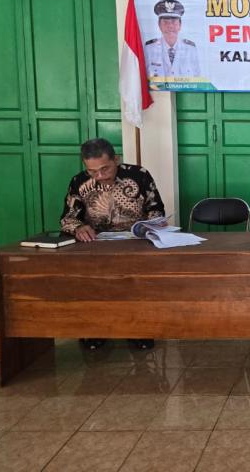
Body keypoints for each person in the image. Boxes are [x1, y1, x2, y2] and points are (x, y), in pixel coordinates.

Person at [60, 138, 165, 351]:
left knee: (137, 284)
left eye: (105, 169)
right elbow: (68, 218)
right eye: (92, 171)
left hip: (135, 243)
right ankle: (96, 330)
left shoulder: (139, 175)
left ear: (116, 159)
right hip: (95, 245)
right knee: (93, 285)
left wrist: (150, 226)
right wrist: (79, 228)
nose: (99, 176)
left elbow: (156, 210)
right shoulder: (79, 181)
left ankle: (138, 330)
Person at [144, 0, 202, 78]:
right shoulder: (149, 49)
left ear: (180, 25)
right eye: (165, 22)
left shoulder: (190, 49)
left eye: (174, 22)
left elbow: (197, 78)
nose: (170, 26)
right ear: (159, 25)